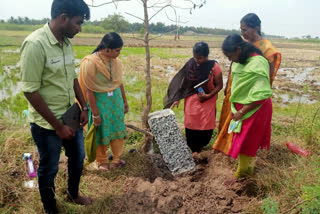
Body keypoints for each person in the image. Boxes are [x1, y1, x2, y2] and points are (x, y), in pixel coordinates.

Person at [20, 0, 92, 213]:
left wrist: (84, 107)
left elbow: (72, 78)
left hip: (71, 115)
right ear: (63, 17)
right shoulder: (35, 44)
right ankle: (51, 208)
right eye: (78, 23)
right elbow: (30, 91)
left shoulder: (67, 43)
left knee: (78, 158)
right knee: (49, 168)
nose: (79, 29)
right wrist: (58, 127)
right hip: (46, 123)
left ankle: (73, 194)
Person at [213, 13, 281, 155]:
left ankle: (242, 151)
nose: (243, 33)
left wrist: (255, 93)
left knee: (245, 124)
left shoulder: (266, 48)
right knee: (231, 117)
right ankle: (227, 147)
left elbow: (266, 75)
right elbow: (234, 65)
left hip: (251, 94)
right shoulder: (243, 45)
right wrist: (227, 86)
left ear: (255, 28)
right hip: (235, 89)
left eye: (245, 30)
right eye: (241, 30)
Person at [221, 34, 272, 178]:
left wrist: (242, 111)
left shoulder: (258, 62)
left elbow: (261, 95)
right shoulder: (239, 61)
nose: (230, 60)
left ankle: (241, 175)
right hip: (241, 109)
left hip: (255, 108)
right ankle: (247, 171)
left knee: (247, 142)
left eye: (230, 55)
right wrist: (235, 109)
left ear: (238, 49)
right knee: (243, 141)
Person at [79, 32, 128, 171]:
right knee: (101, 131)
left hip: (115, 102)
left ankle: (116, 158)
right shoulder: (90, 63)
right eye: (117, 50)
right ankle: (102, 161)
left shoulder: (116, 62)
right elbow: (89, 90)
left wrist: (125, 101)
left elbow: (119, 83)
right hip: (99, 103)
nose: (119, 53)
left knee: (117, 127)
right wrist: (95, 114)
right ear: (107, 49)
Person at [164, 42, 223, 156]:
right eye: (195, 57)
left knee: (205, 124)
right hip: (191, 100)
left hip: (207, 99)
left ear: (206, 56)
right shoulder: (191, 63)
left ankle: (201, 147)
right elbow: (184, 82)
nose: (197, 60)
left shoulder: (214, 66)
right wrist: (177, 98)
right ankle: (194, 150)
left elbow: (219, 85)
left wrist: (209, 96)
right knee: (191, 124)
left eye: (200, 58)